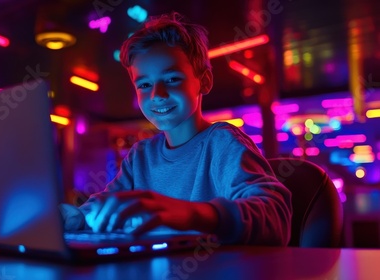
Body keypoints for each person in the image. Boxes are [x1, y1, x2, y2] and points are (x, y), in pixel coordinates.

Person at [59, 12, 292, 245]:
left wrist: (190, 213)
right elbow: (107, 206)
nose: (157, 95)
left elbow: (274, 214)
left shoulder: (222, 143)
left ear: (205, 81)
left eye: (171, 79)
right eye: (145, 84)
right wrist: (78, 218)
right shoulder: (141, 156)